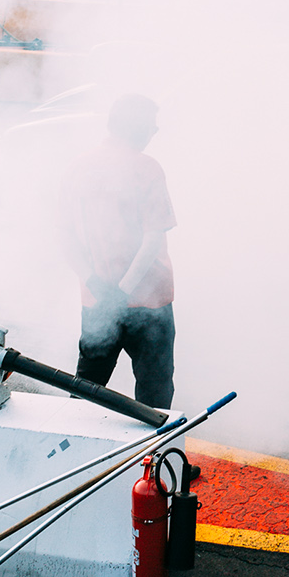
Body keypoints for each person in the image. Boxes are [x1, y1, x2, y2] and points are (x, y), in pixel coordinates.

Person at [64, 94, 178, 411]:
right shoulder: (148, 168)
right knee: (155, 398)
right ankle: (150, 459)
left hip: (97, 302)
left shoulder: (78, 168)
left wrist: (97, 284)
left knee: (85, 393)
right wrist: (124, 290)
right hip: (149, 303)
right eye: (152, 127)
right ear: (140, 129)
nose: (153, 134)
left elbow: (64, 237)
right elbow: (153, 237)